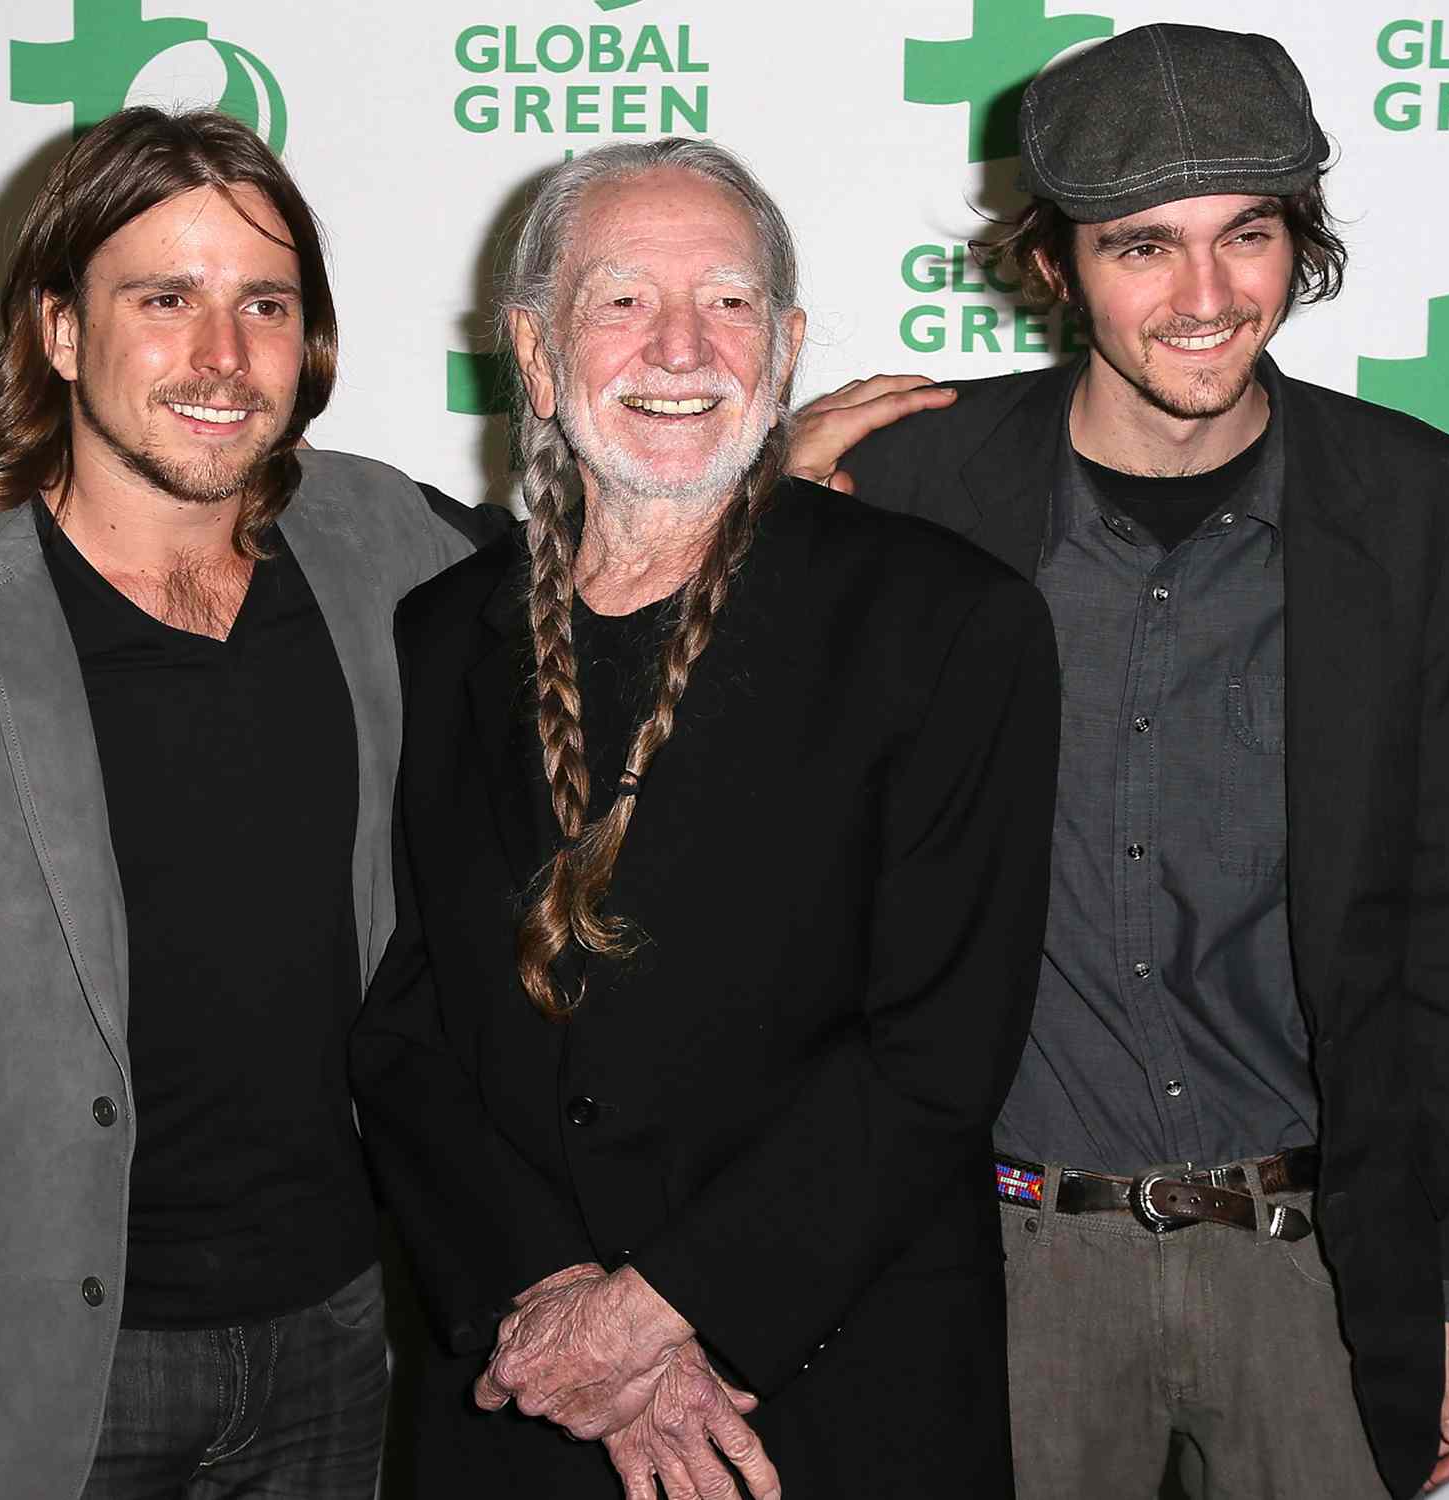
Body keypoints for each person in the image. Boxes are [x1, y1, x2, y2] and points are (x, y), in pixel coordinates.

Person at [790, 24, 1449, 1500]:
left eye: (1246, 235)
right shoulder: (910, 489)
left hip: (1312, 1266)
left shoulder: (1415, 504)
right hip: (988, 1264)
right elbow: (760, 864)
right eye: (1144, 246)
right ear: (1055, 264)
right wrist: (759, 534)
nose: (1207, 298)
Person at [0, 108, 490, 1500]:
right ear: (60, 331)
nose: (220, 357)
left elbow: (618, 579)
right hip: (28, 1370)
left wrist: (774, 463)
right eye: (165, 300)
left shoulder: (392, 548)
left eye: (265, 303)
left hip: (342, 1341)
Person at [349, 137, 1058, 1499]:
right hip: (523, 1398)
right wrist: (553, 1304)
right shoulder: (441, 636)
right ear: (537, 354)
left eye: (728, 303)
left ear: (782, 349)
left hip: (819, 1398)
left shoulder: (945, 624)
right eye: (620, 302)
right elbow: (409, 1024)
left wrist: (660, 1311)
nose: (680, 346)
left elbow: (939, 1047)